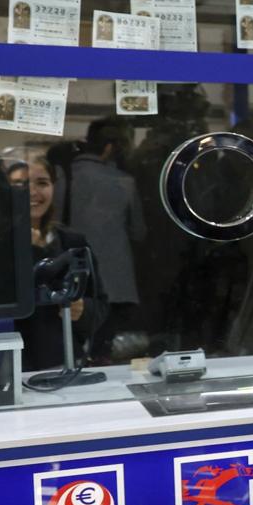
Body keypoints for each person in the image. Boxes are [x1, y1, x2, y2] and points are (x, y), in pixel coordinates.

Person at [4, 154, 107, 372]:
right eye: (20, 184)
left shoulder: (72, 241)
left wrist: (82, 310)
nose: (32, 192)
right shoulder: (2, 244)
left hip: (66, 365)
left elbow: (100, 304)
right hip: (11, 370)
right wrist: (30, 250)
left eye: (42, 183)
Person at [67, 118, 146, 361]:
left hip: (74, 274)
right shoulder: (124, 182)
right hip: (116, 279)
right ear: (110, 148)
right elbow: (139, 231)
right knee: (106, 347)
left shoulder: (65, 176)